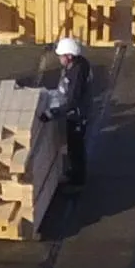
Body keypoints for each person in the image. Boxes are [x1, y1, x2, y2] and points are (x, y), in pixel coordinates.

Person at [39, 35, 93, 224]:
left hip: (77, 115)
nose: (59, 59)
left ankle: (78, 181)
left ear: (69, 56)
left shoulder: (77, 73)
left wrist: (52, 113)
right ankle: (73, 173)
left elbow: (72, 101)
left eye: (61, 56)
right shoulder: (74, 66)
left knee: (76, 146)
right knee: (72, 145)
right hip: (74, 112)